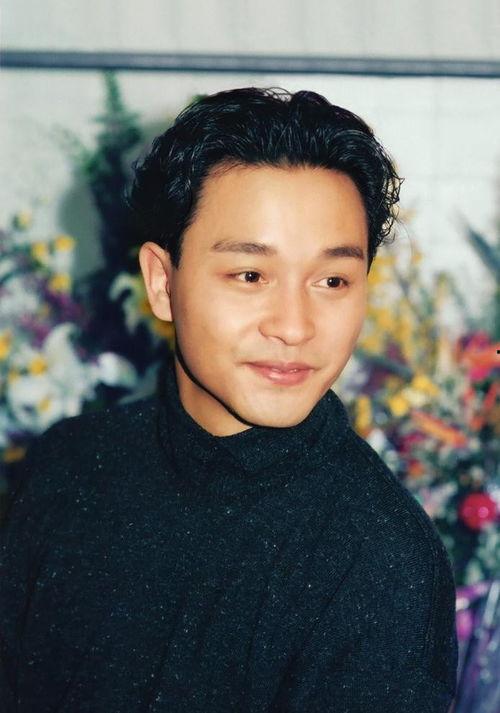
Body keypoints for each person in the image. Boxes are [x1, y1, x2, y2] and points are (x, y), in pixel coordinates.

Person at [0, 86, 458, 712]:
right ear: (162, 284)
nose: (294, 327)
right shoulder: (70, 467)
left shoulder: (377, 558)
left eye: (332, 280)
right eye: (250, 276)